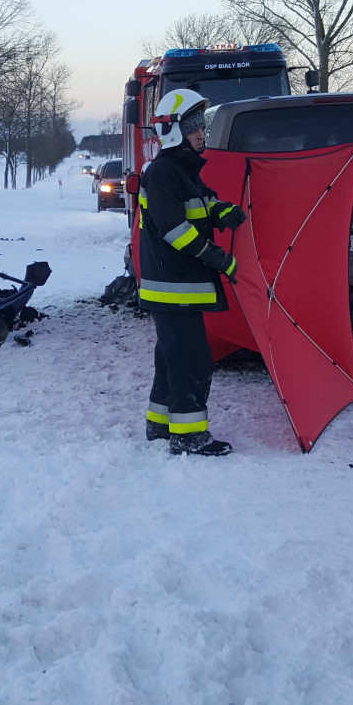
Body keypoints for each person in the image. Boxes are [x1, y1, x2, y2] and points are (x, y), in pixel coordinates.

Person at [138, 89, 246, 456]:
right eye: (194, 126)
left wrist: (220, 211)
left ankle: (161, 425)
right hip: (175, 286)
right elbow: (174, 230)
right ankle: (189, 435)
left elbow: (203, 201)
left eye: (202, 125)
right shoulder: (164, 173)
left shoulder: (181, 170)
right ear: (174, 131)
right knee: (190, 359)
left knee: (172, 356)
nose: (202, 132)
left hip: (177, 286)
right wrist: (220, 259)